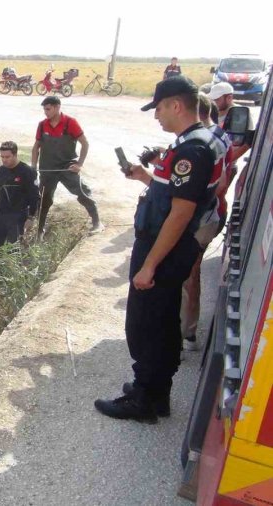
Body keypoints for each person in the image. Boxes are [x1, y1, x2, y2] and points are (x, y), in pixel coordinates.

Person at [94, 76, 218, 422]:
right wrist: (145, 178)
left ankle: (144, 400)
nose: (156, 116)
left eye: (159, 108)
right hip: (167, 245)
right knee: (160, 320)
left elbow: (180, 213)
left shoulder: (192, 151)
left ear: (176, 105)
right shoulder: (195, 141)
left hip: (164, 247)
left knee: (146, 324)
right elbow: (174, 194)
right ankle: (154, 391)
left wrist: (149, 265)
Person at [179, 93, 230, 352]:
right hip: (212, 214)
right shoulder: (220, 136)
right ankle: (186, 332)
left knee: (187, 276)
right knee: (191, 274)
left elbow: (220, 183)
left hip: (202, 217)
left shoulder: (204, 142)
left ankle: (184, 334)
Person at [31, 96, 102, 236]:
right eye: (44, 109)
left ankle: (97, 222)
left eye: (48, 109)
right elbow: (36, 147)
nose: (45, 112)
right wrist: (33, 167)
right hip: (48, 168)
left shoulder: (70, 123)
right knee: (44, 199)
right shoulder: (42, 125)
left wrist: (79, 164)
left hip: (67, 167)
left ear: (57, 107)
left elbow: (85, 143)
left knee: (82, 192)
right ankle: (39, 231)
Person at [0, 141, 40, 257]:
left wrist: (31, 217)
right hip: (0, 214)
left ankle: (13, 268)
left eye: (7, 157)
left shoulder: (27, 172)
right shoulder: (1, 171)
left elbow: (35, 196)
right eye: (2, 157)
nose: (4, 160)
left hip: (18, 216)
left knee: (13, 251)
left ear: (15, 155)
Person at [209, 82, 255, 160]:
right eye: (212, 99)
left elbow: (247, 141)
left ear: (229, 98)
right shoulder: (209, 112)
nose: (213, 102)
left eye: (217, 100)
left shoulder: (241, 114)